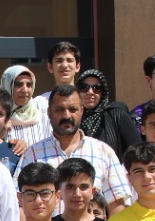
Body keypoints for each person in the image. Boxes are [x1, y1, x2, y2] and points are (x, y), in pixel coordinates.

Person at [22, 85, 134, 214]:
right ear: (49, 112)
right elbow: (21, 205)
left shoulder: (103, 152)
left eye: (72, 109)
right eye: (59, 110)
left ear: (81, 111)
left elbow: (117, 205)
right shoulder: (33, 155)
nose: (66, 115)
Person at [76, 69, 140, 158]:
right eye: (84, 87)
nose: (90, 92)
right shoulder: (74, 118)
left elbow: (137, 150)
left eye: (96, 88)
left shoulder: (116, 115)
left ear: (103, 92)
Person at [0, 64, 50, 150]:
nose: (25, 90)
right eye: (19, 85)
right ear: (8, 86)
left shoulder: (43, 119)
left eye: (29, 85)